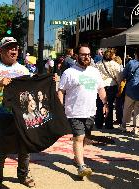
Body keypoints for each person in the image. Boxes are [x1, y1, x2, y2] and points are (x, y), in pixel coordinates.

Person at [0, 37, 35, 188]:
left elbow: (32, 89)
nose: (14, 50)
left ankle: (23, 175)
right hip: (2, 116)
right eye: (10, 47)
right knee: (0, 151)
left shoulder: (24, 69)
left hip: (22, 116)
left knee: (25, 148)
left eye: (16, 48)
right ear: (1, 51)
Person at [57, 44, 108, 177]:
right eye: (83, 54)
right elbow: (61, 91)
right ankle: (81, 166)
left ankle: (77, 158)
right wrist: (60, 106)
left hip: (90, 111)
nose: (86, 57)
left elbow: (100, 89)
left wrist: (105, 103)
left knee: (85, 138)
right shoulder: (69, 72)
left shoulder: (94, 71)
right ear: (76, 56)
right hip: (74, 112)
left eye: (88, 55)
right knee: (79, 137)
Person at [94, 48, 122, 129]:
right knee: (109, 105)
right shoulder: (115, 65)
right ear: (112, 55)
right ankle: (108, 124)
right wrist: (119, 86)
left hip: (100, 86)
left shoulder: (98, 64)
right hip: (111, 86)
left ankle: (98, 123)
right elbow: (119, 78)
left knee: (100, 105)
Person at [119, 47, 139, 136]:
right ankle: (136, 128)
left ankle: (124, 126)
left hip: (130, 89)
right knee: (138, 111)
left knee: (127, 108)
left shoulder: (131, 63)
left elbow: (123, 75)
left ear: (136, 54)